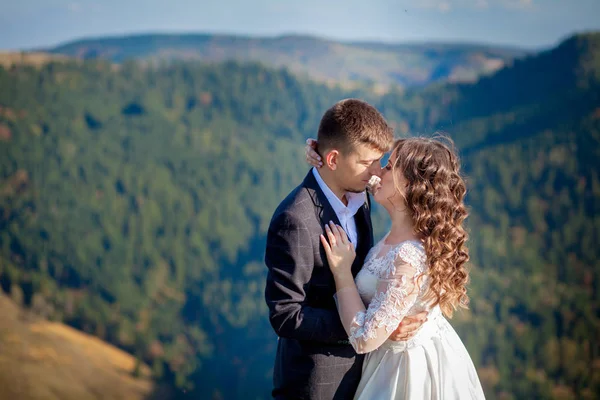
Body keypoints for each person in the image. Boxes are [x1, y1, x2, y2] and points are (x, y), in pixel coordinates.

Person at [264, 99, 427, 400]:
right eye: (368, 163)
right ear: (335, 159)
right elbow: (285, 314)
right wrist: (373, 327)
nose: (376, 172)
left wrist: (377, 325)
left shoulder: (361, 193)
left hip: (368, 377)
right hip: (317, 384)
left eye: (380, 160)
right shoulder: (295, 219)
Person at [307, 135, 486, 399]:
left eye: (389, 167)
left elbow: (365, 338)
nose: (378, 171)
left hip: (406, 375)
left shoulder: (409, 256)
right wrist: (319, 154)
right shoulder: (405, 232)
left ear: (412, 187)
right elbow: (351, 173)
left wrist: (342, 273)